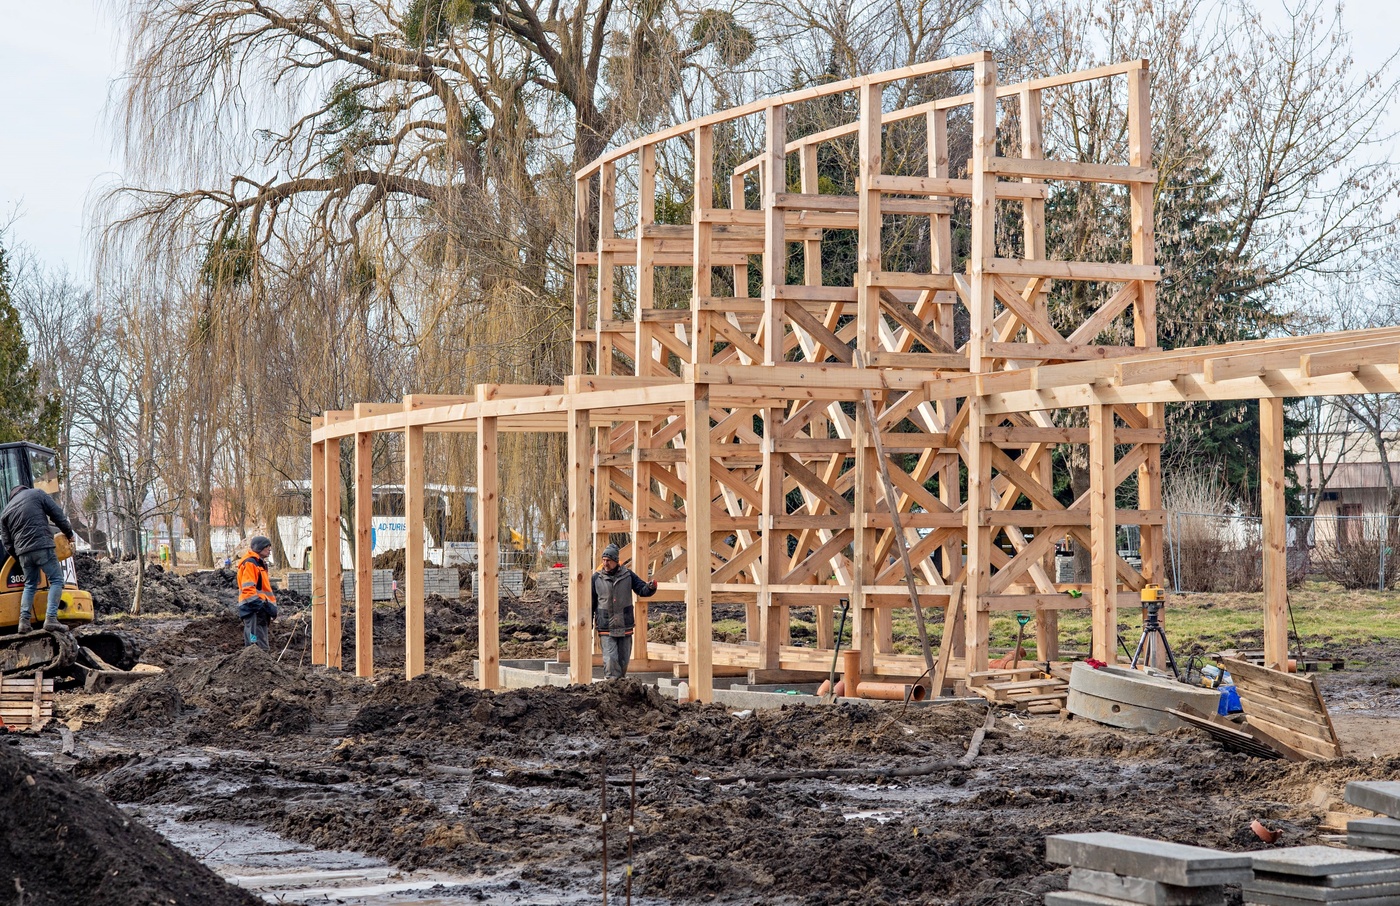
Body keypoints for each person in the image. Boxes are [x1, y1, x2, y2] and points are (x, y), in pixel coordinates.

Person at [0, 484, 76, 633]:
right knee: (57, 580)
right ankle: (51, 618)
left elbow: (7, 543)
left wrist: (20, 556)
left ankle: (23, 622)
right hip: (42, 545)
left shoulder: (5, 512)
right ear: (24, 490)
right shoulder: (37, 494)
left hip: (23, 553)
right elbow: (56, 514)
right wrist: (69, 533)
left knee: (30, 584)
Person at [590, 543, 657, 680]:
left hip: (624, 625)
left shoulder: (628, 575)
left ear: (616, 561)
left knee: (623, 661)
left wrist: (650, 588)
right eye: (603, 560)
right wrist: (589, 622)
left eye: (608, 561)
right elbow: (591, 602)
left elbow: (641, 589)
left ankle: (620, 688)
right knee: (610, 660)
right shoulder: (596, 578)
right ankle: (611, 685)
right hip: (606, 625)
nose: (605, 563)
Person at [237, 536, 279, 651]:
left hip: (258, 609)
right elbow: (248, 589)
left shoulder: (258, 564)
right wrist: (259, 605)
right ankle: (255, 666)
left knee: (259, 644)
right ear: (259, 547)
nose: (269, 550)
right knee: (255, 646)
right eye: (267, 547)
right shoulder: (251, 564)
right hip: (254, 609)